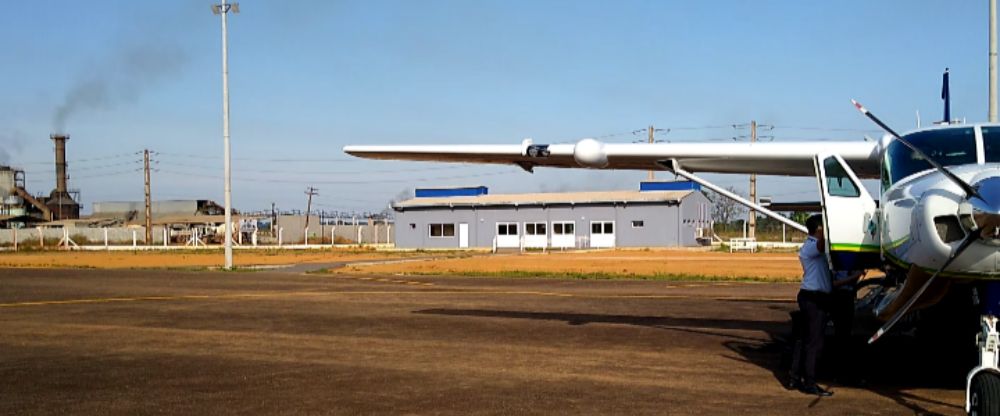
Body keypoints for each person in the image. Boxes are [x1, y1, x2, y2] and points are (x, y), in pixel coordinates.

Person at [787, 214, 834, 397]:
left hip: (813, 297)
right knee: (814, 342)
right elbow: (822, 245)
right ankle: (810, 382)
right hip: (813, 298)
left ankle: (795, 378)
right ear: (818, 230)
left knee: (806, 340)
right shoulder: (812, 247)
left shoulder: (810, 247)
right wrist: (829, 228)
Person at [830, 269, 865, 384]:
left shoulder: (848, 264)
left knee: (845, 335)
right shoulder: (835, 264)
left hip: (848, 297)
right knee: (841, 336)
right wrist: (854, 277)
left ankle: (843, 373)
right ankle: (839, 373)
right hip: (840, 298)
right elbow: (833, 284)